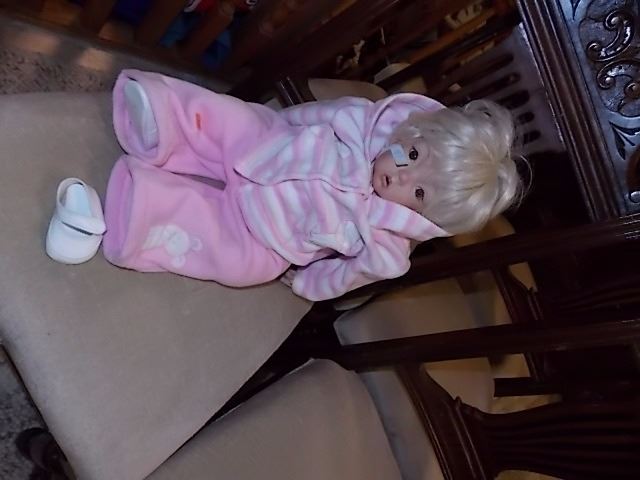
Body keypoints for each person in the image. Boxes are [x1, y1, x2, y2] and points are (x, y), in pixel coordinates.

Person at [102, 69, 523, 301]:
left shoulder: (385, 248)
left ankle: (147, 209)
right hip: (268, 148)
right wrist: (279, 124)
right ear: (413, 131)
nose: (402, 175)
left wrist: (306, 283)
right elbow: (316, 114)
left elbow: (346, 276)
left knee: (241, 264)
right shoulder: (361, 124)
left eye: (418, 193)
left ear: (423, 217)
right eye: (412, 155)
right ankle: (160, 119)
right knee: (232, 121)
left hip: (267, 234)